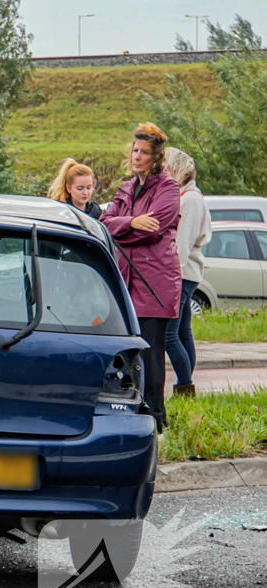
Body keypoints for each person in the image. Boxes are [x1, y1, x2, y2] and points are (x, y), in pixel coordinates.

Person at [101, 123, 182, 433]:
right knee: (126, 351)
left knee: (151, 353)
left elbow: (155, 229)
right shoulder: (125, 188)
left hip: (155, 282)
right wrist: (133, 222)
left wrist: (125, 228)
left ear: (156, 157)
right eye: (135, 150)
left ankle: (156, 419)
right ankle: (130, 413)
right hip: (126, 280)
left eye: (144, 152)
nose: (137, 156)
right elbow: (105, 225)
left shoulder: (168, 188)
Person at [163, 147, 212, 397]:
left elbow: (182, 243)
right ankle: (186, 385)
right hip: (186, 273)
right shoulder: (190, 196)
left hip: (182, 274)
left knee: (169, 336)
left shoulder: (190, 199)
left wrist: (172, 276)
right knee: (183, 331)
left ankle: (185, 387)